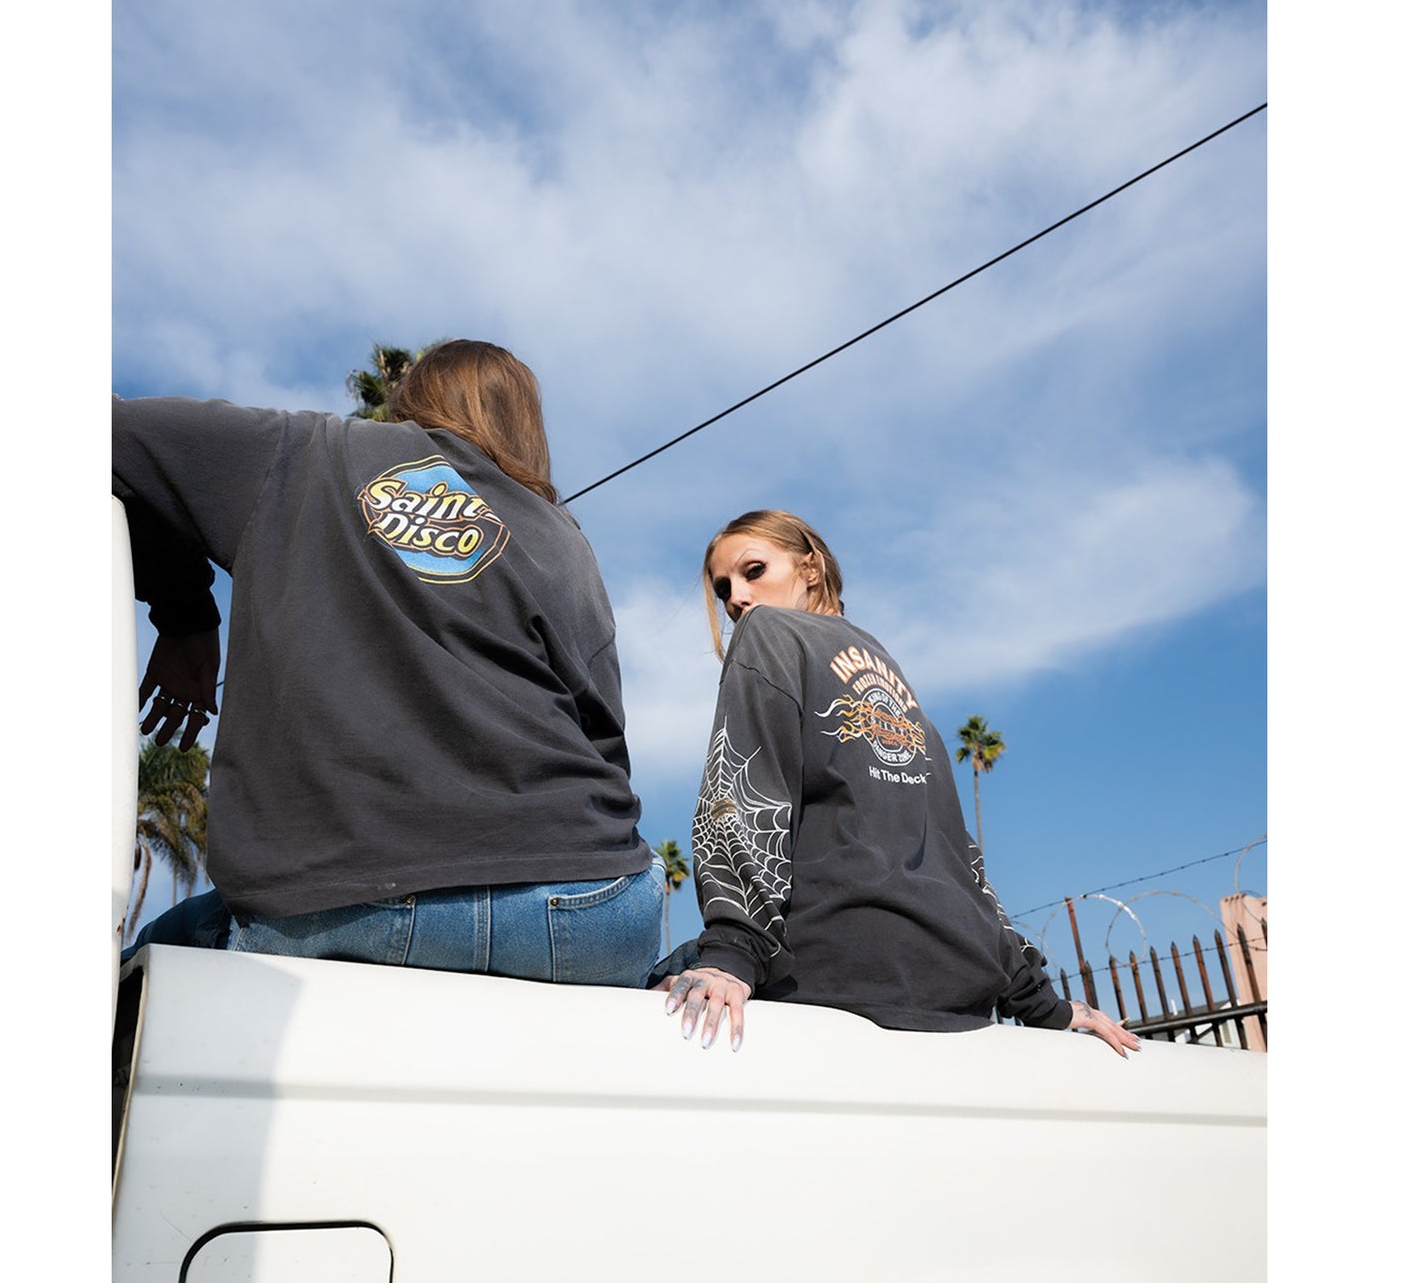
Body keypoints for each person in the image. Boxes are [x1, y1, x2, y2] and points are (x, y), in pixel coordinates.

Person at [115, 339, 662, 988]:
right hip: (588, 907)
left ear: (411, 400)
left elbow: (112, 435)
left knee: (150, 961)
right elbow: (603, 736)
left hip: (346, 899)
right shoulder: (562, 537)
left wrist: (185, 616)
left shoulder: (305, 451)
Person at [657, 509, 1140, 1058]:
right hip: (957, 985)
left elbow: (742, 794)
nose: (737, 599)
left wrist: (732, 954)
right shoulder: (901, 688)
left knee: (639, 974)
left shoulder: (768, 632)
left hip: (836, 973)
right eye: (723, 588)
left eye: (753, 570)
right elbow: (958, 859)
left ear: (810, 568)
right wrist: (1039, 1001)